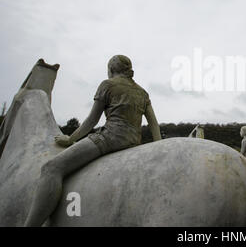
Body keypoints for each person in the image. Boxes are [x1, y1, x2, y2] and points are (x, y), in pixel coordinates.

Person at [24, 55, 162, 226]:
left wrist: (70, 139)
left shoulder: (107, 84)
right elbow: (154, 124)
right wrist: (158, 147)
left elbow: (92, 121)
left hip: (109, 139)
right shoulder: (143, 92)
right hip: (134, 142)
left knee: (51, 168)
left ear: (111, 70)